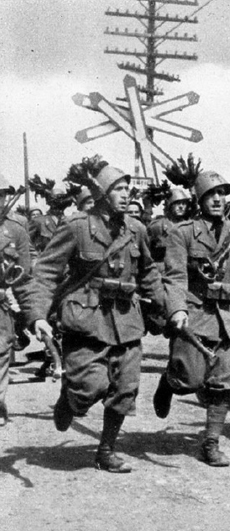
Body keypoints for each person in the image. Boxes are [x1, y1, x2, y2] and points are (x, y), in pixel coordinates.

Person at [27, 163, 165, 473]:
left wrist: (168, 308)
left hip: (126, 320)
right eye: (118, 189)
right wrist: (37, 314)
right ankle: (69, 400)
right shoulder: (77, 226)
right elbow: (46, 272)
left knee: (125, 389)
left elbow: (149, 272)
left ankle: (106, 450)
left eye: (127, 189)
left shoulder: (136, 229)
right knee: (88, 388)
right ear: (102, 194)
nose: (126, 194)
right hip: (87, 320)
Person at [154, 170, 230, 466]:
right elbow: (174, 276)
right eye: (210, 194)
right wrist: (177, 308)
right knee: (189, 379)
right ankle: (169, 382)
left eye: (222, 193)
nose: (217, 199)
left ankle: (211, 442)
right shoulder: (183, 232)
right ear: (198, 200)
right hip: (196, 312)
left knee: (223, 384)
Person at [0, 177, 33, 426]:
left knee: (1, 353)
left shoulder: (16, 230)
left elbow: (24, 274)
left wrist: (31, 313)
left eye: (1, 195)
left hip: (1, 303)